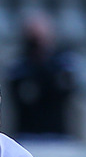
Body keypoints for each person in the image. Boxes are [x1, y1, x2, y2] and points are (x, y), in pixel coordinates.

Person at [7, 11, 77, 140]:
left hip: (57, 134)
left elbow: (65, 91)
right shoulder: (20, 67)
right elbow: (23, 95)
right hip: (27, 134)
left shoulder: (61, 64)